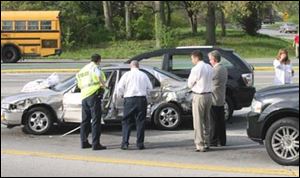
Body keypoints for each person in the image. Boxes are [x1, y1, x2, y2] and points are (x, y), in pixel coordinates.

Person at [116, 61, 153, 150]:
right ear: (138, 66)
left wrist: (120, 95)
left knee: (127, 121)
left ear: (130, 66)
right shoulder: (143, 75)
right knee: (140, 122)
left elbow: (119, 87)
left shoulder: (126, 75)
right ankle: (140, 143)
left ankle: (125, 143)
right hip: (141, 99)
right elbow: (150, 88)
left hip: (129, 99)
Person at [76, 54, 107, 150]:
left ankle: (84, 142)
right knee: (96, 120)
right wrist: (104, 86)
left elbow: (78, 83)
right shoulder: (95, 67)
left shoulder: (83, 70)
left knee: (85, 121)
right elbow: (98, 76)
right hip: (93, 95)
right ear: (99, 60)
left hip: (84, 96)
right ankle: (96, 144)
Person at [188, 51, 214, 152]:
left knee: (198, 121)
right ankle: (207, 142)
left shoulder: (196, 69)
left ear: (196, 58)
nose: (192, 61)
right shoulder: (209, 67)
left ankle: (200, 144)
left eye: (192, 58)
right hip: (209, 95)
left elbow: (190, 84)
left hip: (199, 95)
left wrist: (194, 85)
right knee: (207, 120)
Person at [208, 50, 228, 147]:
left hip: (214, 98)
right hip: (221, 97)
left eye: (210, 59)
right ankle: (222, 140)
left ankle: (213, 140)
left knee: (214, 121)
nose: (210, 62)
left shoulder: (215, 70)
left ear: (214, 59)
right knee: (220, 121)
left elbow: (209, 81)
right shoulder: (223, 68)